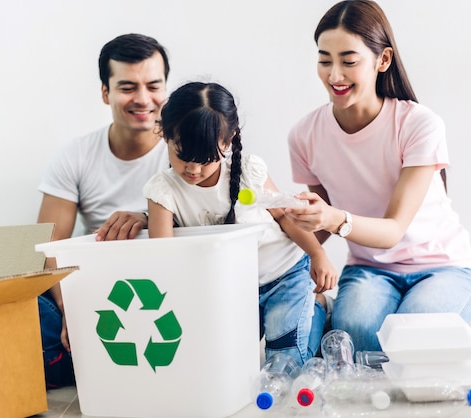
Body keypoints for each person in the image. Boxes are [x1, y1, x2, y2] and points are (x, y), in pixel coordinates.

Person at [284, 0, 471, 353]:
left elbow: (393, 230)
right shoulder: (304, 134)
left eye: (348, 60)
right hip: (370, 269)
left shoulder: (419, 124)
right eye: (324, 60)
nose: (334, 75)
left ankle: (453, 319)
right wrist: (298, 224)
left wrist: (332, 217)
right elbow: (324, 222)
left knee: (412, 340)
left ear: (383, 60)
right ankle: (332, 310)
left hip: (443, 266)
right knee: (359, 337)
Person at [143, 81, 338, 365]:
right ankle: (307, 312)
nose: (193, 169)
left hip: (284, 274)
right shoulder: (162, 191)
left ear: (229, 139)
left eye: (206, 159)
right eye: (183, 155)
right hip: (230, 288)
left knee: (284, 366)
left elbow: (284, 217)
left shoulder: (248, 171)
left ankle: (318, 308)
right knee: (227, 365)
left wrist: (318, 254)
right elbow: (165, 257)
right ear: (164, 135)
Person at [36, 33, 171, 387]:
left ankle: (83, 363)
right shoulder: (76, 155)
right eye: (128, 87)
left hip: (167, 287)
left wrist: (147, 219)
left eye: (153, 86)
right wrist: (72, 310)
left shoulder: (185, 153)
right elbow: (47, 249)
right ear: (105, 92)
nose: (143, 99)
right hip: (91, 289)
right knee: (18, 307)